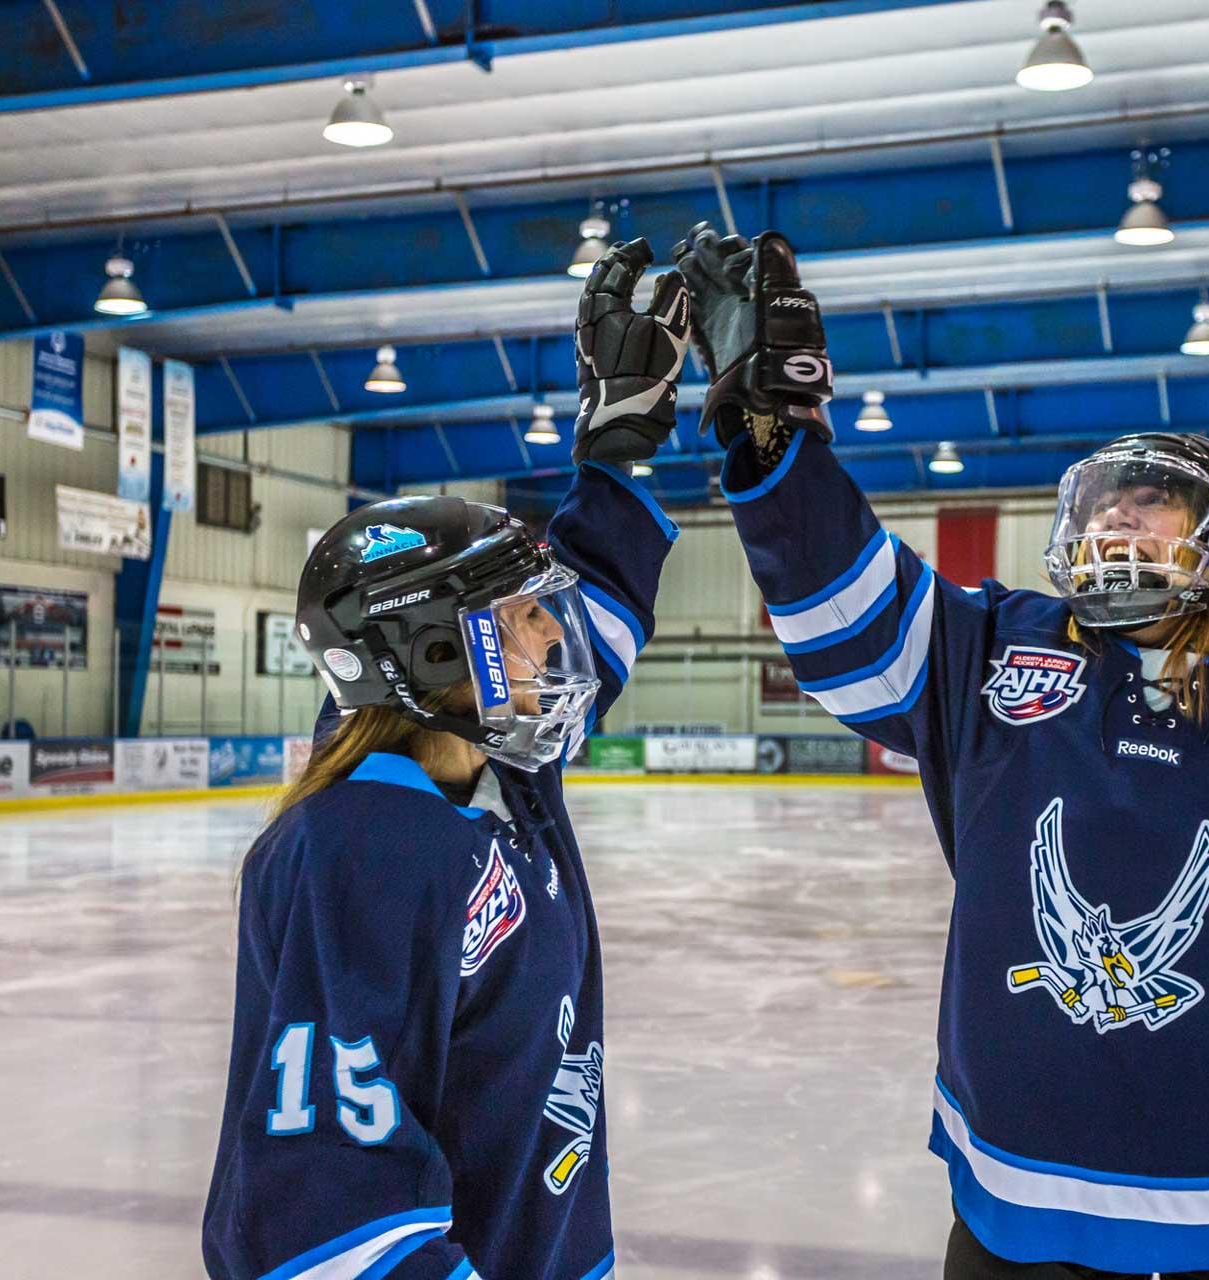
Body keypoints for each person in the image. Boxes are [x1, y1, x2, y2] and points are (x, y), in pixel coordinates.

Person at [669, 223, 1209, 1280]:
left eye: (1155, 509)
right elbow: (844, 614)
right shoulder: (993, 644)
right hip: (1026, 1188)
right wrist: (777, 429)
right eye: (1103, 508)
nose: (1119, 523)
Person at [201, 238, 691, 1280]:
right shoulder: (359, 848)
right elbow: (324, 1204)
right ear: (427, 650)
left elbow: (597, 607)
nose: (552, 642)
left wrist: (614, 447)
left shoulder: (500, 780)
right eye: (518, 621)